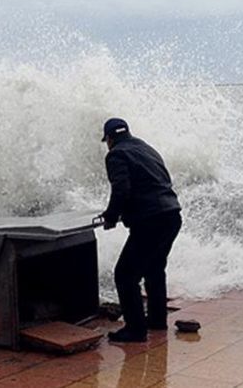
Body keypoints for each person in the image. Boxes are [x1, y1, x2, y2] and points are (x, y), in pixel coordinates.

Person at [98, 117, 182, 343]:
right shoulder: (146, 148)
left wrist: (111, 217)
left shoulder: (116, 154)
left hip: (151, 220)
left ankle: (135, 329)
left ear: (110, 139)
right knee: (154, 269)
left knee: (125, 275)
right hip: (172, 215)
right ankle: (156, 319)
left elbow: (121, 189)